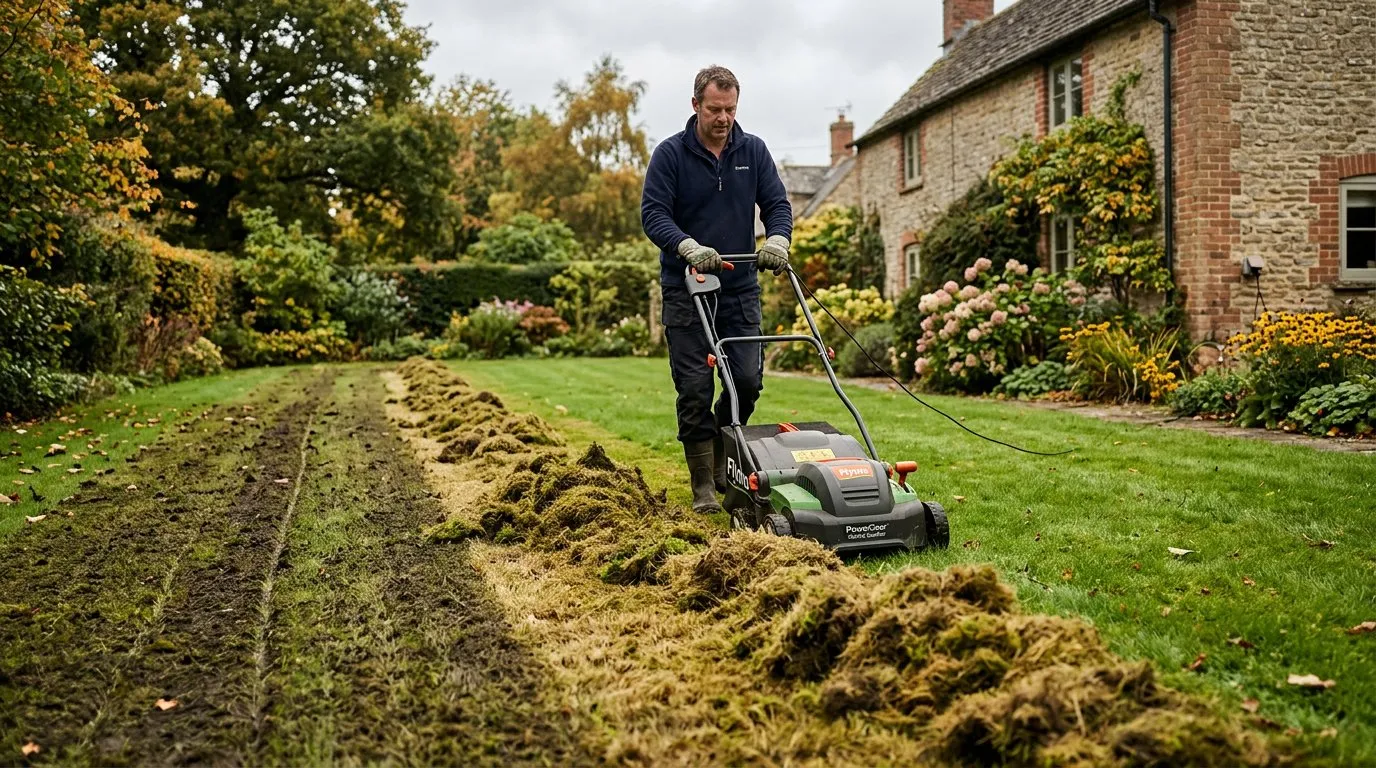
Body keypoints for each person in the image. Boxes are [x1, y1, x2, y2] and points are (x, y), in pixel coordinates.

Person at [640, 65, 793, 514]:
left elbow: (778, 205)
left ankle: (726, 452)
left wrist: (778, 239)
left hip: (740, 287)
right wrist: (686, 245)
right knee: (693, 387)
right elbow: (654, 215)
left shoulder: (754, 150)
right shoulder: (670, 155)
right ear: (695, 106)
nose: (723, 118)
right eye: (714, 109)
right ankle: (704, 486)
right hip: (687, 289)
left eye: (730, 109)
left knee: (745, 380)